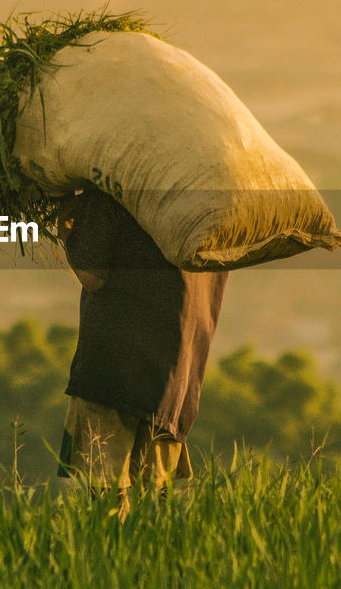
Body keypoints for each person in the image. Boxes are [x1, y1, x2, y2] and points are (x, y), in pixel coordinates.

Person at [55, 187, 228, 517]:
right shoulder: (209, 198)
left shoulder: (111, 184)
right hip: (175, 376)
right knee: (156, 505)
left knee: (107, 500)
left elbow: (92, 275)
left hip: (113, 371)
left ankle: (113, 565)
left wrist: (67, 227)